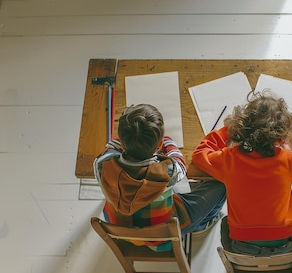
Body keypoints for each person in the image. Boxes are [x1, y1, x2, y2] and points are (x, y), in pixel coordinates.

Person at [192, 90, 292, 256]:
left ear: (241, 129)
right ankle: (291, 257)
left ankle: (239, 260)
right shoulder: (287, 160)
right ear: (282, 137)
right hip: (283, 243)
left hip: (240, 247)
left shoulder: (228, 159)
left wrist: (226, 130)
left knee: (225, 223)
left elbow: (200, 154)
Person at [94, 104, 226, 251]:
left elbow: (112, 145)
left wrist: (132, 135)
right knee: (221, 185)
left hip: (121, 227)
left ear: (123, 144)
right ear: (159, 143)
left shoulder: (102, 164)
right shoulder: (166, 173)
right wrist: (167, 141)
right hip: (162, 237)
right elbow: (180, 162)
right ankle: (201, 225)